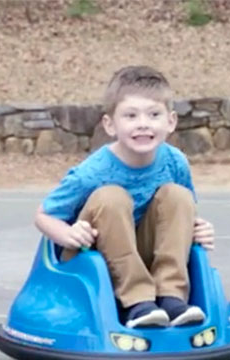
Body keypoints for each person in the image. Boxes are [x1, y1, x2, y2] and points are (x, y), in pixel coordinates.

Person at [35, 65, 215, 329]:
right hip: (91, 256)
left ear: (171, 121)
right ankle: (137, 303)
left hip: (141, 251)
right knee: (112, 197)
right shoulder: (93, 172)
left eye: (154, 114)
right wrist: (68, 235)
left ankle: (171, 297)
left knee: (177, 196)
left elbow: (181, 216)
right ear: (110, 124)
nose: (143, 123)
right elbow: (43, 215)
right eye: (130, 116)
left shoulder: (175, 162)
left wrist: (199, 229)